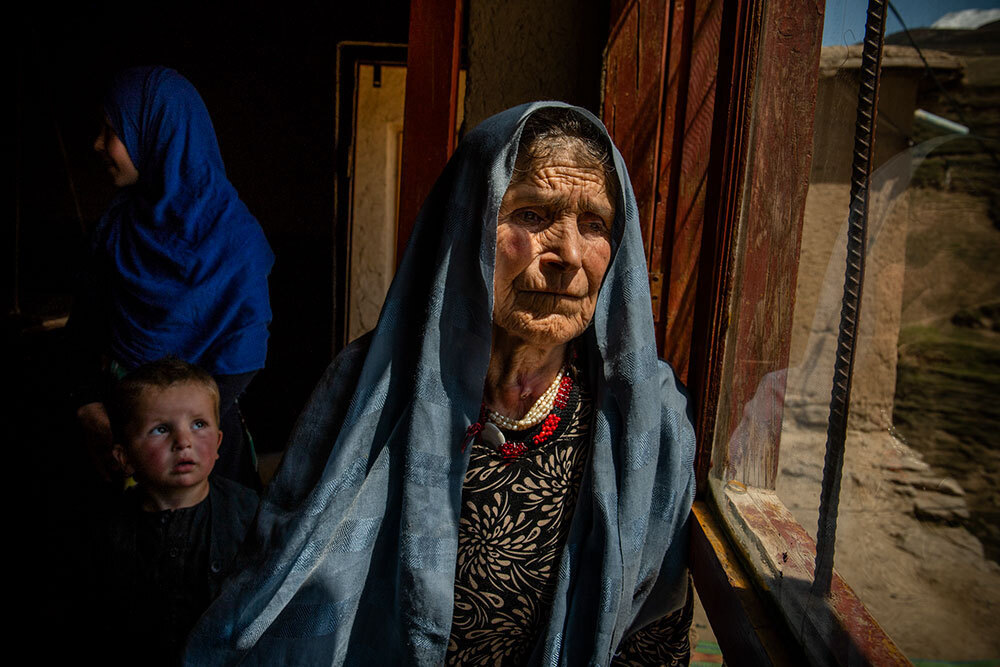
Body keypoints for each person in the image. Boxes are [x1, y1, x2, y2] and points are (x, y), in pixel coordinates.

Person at [187, 103, 696, 665]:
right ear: (468, 223)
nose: (570, 255)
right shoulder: (367, 385)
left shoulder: (643, 421)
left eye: (595, 224)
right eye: (531, 215)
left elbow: (655, 631)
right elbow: (279, 582)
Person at [71, 66, 273, 490]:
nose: (98, 144)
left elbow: (242, 355)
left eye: (112, 130)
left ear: (158, 133)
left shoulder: (236, 241)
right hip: (114, 448)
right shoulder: (116, 229)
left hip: (202, 458)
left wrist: (174, 432)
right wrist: (89, 407)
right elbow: (85, 331)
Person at [88, 357, 259, 665]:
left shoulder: (249, 514)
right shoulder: (104, 528)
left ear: (219, 442)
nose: (183, 441)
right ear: (124, 458)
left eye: (199, 424)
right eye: (161, 429)